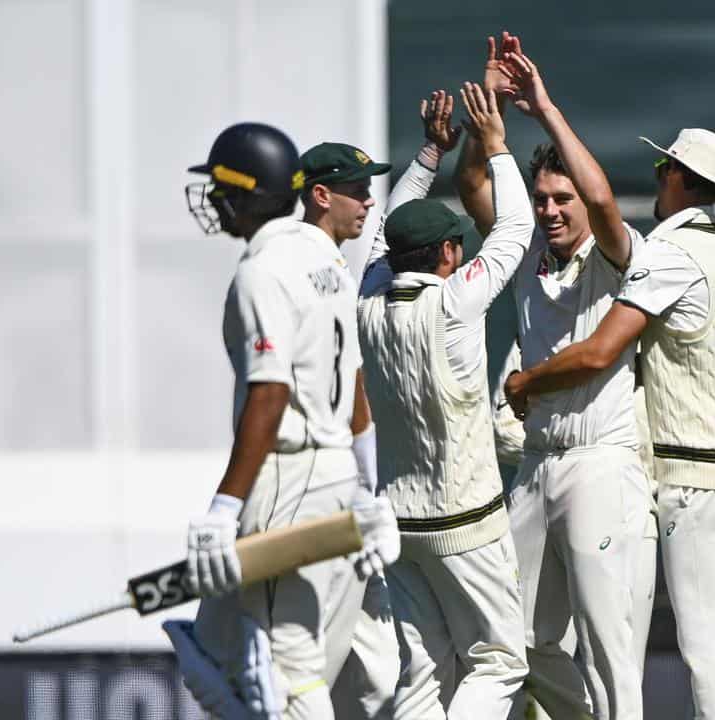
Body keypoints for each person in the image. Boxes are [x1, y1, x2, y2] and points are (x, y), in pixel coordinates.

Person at [505, 127, 715, 719]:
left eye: (663, 167)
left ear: (673, 175)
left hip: (699, 471)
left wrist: (526, 382)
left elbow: (597, 351)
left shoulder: (670, 252)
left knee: (710, 655)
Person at [173, 121, 399, 720]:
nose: (216, 200)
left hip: (288, 480)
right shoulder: (325, 263)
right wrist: (366, 484)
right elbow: (352, 382)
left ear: (250, 192)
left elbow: (269, 396)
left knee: (285, 672)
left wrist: (225, 508)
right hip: (332, 478)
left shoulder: (263, 270)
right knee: (221, 662)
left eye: (223, 187)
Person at [456, 41, 652, 720]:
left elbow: (600, 197)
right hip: (536, 466)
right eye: (541, 199)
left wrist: (542, 107)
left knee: (606, 640)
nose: (550, 211)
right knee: (515, 637)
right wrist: (487, 130)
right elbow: (473, 189)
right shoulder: (529, 248)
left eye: (559, 198)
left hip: (600, 465)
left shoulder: (614, 254)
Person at [357, 82, 533, 719]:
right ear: (451, 254)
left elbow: (385, 234)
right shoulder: (456, 301)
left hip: (401, 522)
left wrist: (432, 152)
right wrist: (496, 146)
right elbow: (516, 224)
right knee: (500, 661)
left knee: (424, 671)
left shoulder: (368, 300)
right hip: (466, 519)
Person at [300, 90, 465, 720]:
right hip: (325, 493)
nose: (368, 200)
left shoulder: (346, 272)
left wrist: (429, 153)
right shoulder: (296, 265)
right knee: (307, 665)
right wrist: (366, 490)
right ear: (321, 195)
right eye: (355, 190)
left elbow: (392, 226)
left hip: (367, 497)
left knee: (378, 676)